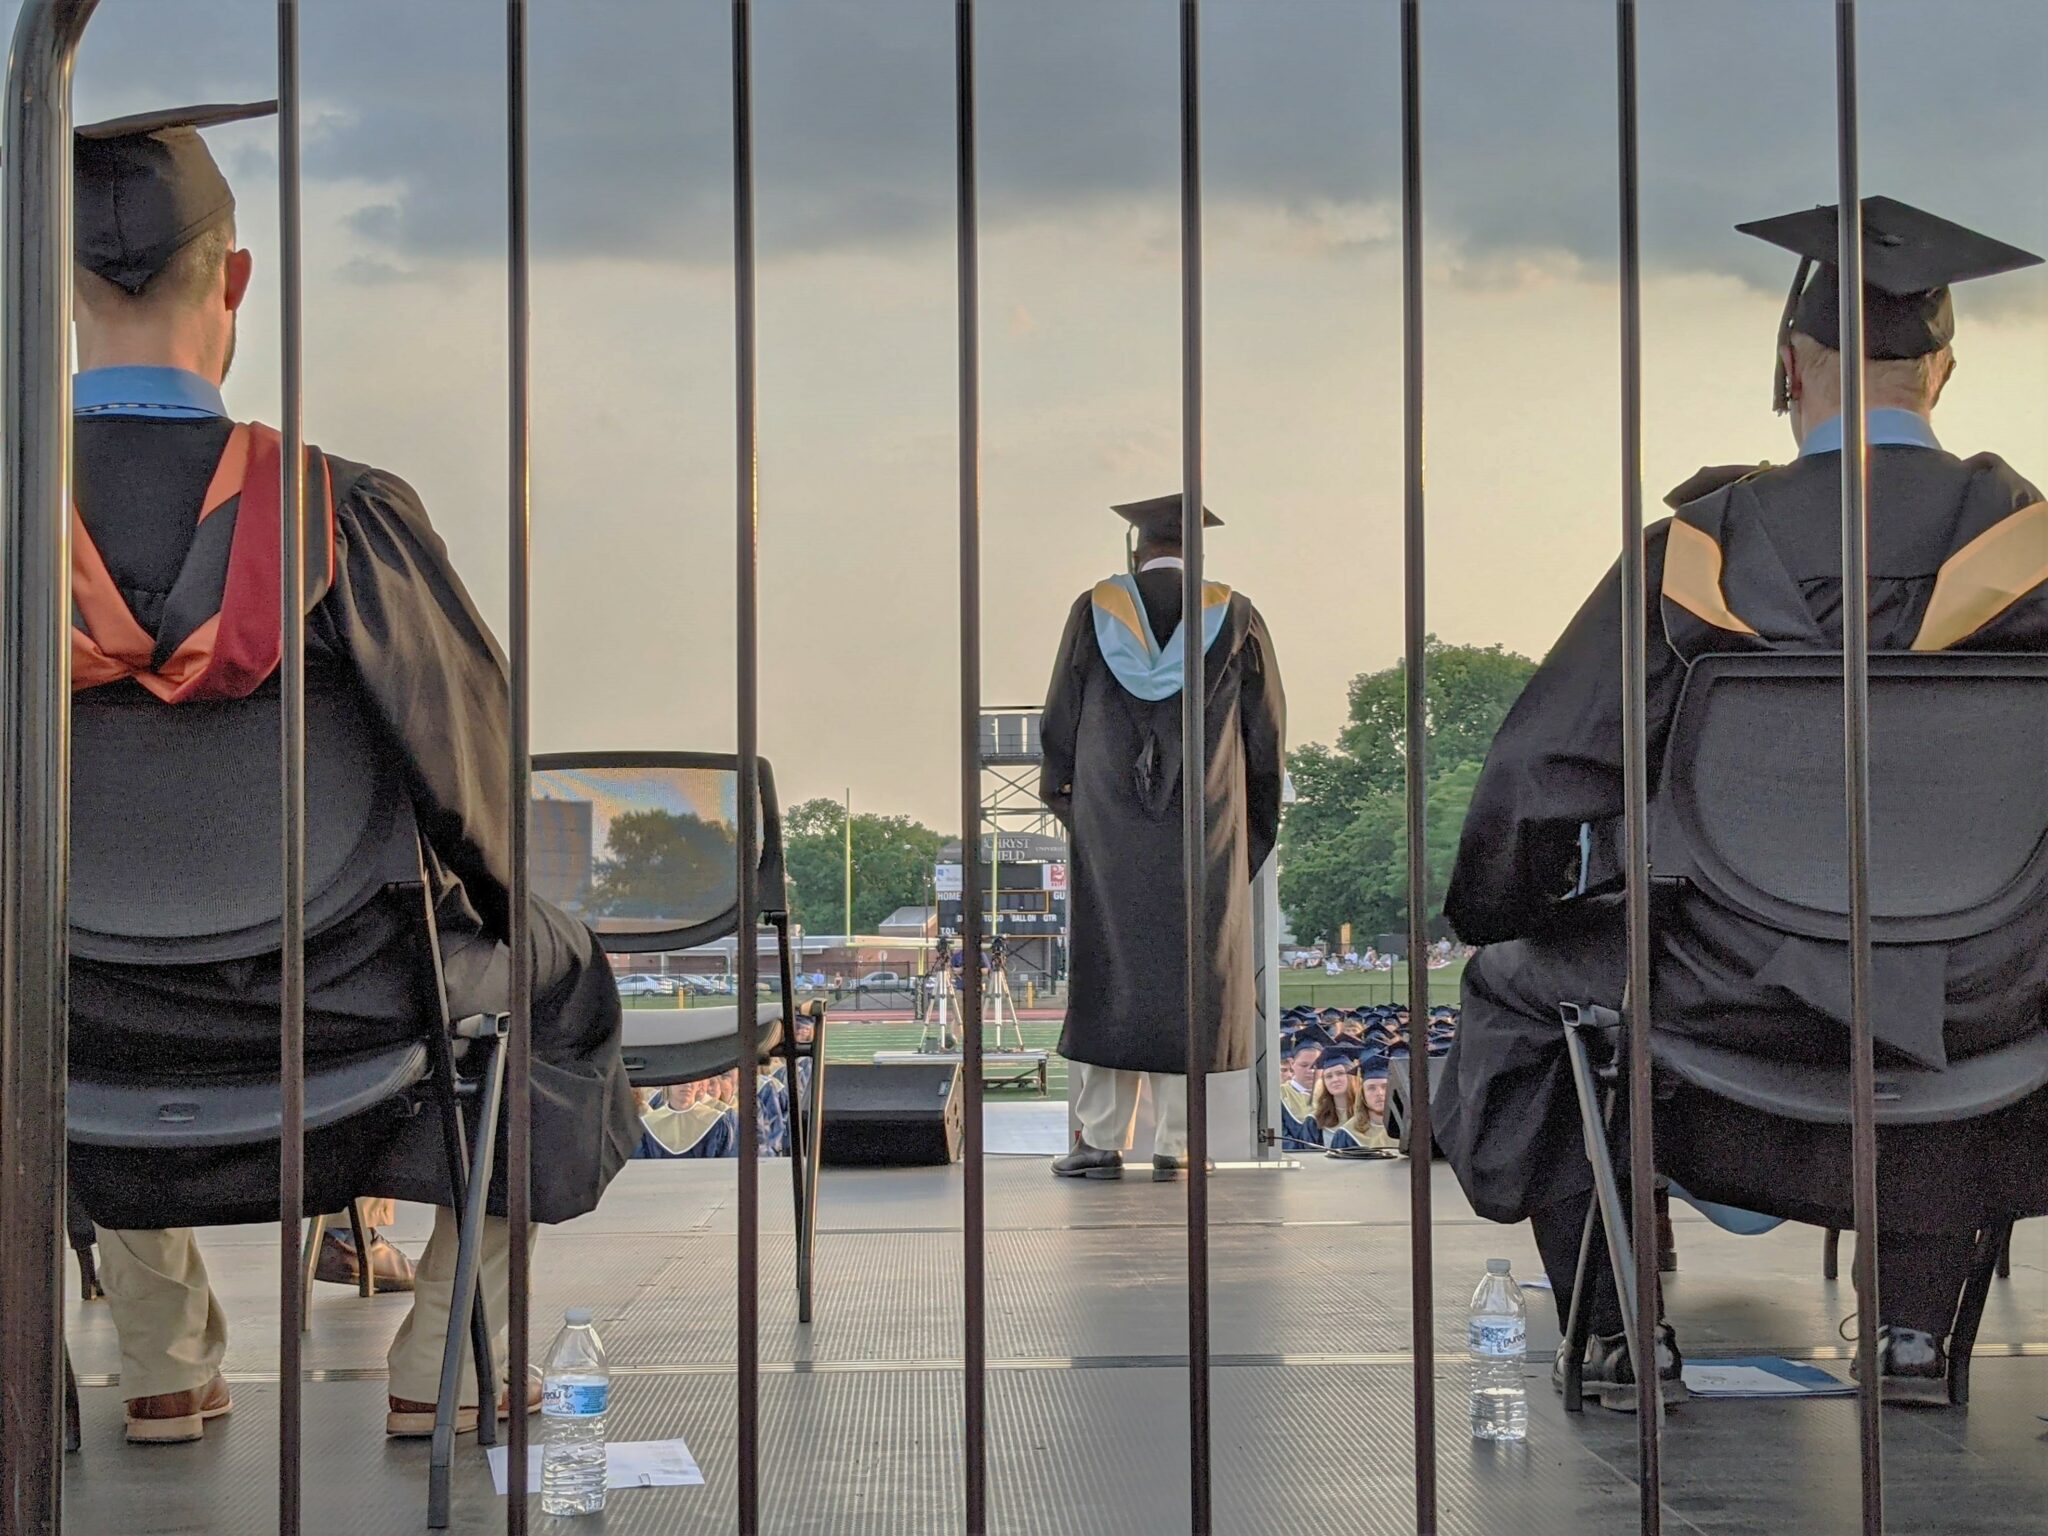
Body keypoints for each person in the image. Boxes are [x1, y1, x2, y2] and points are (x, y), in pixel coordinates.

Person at [62, 103, 639, 1445]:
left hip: (57, 1013)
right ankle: (444, 1351)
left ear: (53, 291)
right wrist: (490, 908)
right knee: (557, 982)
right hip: (341, 1011)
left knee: (61, 990)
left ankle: (156, 1354)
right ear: (239, 285)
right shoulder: (340, 517)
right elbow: (476, 791)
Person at [1432, 195, 2048, 1407]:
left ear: (1785, 366)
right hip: (1985, 1005)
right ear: (1945, 368)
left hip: (1719, 996)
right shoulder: (2032, 555)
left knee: (1518, 984)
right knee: (1938, 962)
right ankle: (1912, 1337)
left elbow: (1535, 777)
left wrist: (1497, 911)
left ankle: (1616, 1331)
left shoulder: (1691, 556)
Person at [1040, 494, 1286, 1181]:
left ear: (1135, 548)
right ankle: (1179, 1143)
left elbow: (1061, 715)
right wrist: (1248, 829)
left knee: (1110, 967)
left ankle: (1099, 1139)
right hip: (1202, 825)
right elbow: (1265, 735)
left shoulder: (1095, 610)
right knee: (1191, 974)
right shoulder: (1235, 616)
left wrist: (1069, 801)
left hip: (1112, 825)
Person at [1323, 1050, 1396, 1153]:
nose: (1379, 1093)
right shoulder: (1347, 1134)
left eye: (1385, 1087)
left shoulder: (1408, 1131)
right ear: (1362, 1095)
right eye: (1371, 1088)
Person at [1279, 1037, 1326, 1152]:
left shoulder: (1331, 1096)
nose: (1311, 1071)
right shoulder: (1279, 1095)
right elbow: (1280, 1138)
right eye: (1304, 1065)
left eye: (1316, 1066)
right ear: (1292, 1064)